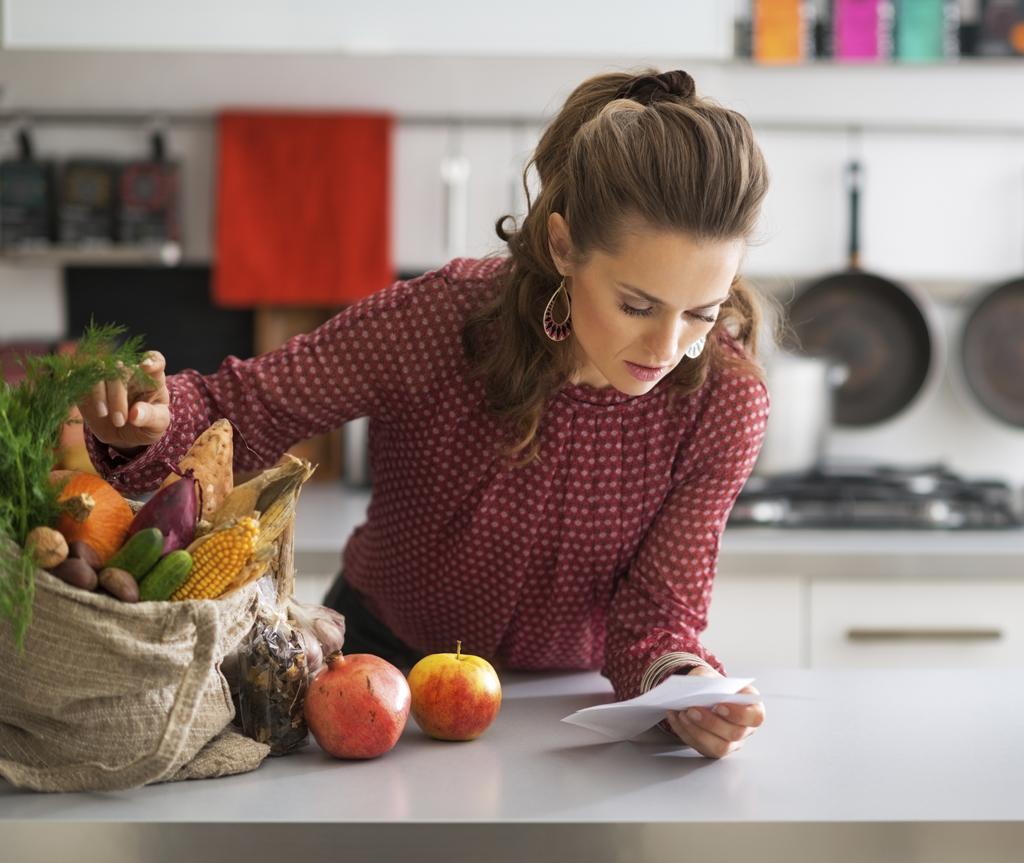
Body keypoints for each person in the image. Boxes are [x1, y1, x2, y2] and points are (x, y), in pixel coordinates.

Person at [80, 69, 771, 759]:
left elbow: (657, 612)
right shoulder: (445, 319)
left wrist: (683, 683)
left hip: (562, 711)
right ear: (563, 245)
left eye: (701, 314)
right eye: (637, 304)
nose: (667, 346)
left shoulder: (725, 398)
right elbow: (250, 406)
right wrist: (148, 419)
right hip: (371, 667)